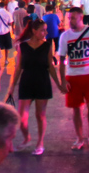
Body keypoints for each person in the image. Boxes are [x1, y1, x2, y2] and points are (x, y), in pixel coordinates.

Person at [10, 18, 61, 155]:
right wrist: (12, 86)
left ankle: (40, 143)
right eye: (42, 30)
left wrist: (59, 84)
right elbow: (18, 66)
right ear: (34, 31)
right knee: (21, 117)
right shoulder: (22, 46)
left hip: (42, 81)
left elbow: (50, 67)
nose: (45, 32)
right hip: (26, 81)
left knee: (40, 115)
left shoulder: (47, 46)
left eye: (46, 30)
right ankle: (27, 138)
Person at [58, 5, 89, 150]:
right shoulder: (65, 36)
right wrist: (62, 80)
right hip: (72, 77)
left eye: (72, 18)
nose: (70, 21)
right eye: (68, 18)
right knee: (76, 109)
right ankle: (79, 138)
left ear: (81, 17)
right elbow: (61, 60)